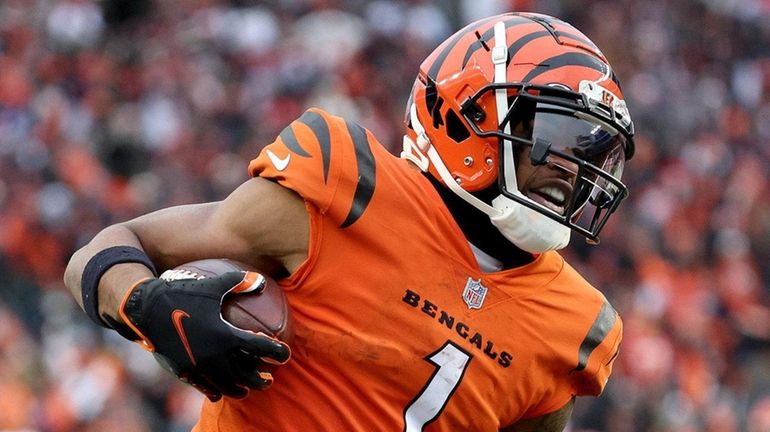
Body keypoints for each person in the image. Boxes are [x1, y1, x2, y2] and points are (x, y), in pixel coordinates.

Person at [64, 12, 634, 431]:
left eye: (594, 149)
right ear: (464, 120)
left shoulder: (574, 328)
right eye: (557, 137)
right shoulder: (348, 186)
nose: (574, 168)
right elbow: (107, 248)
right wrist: (146, 306)